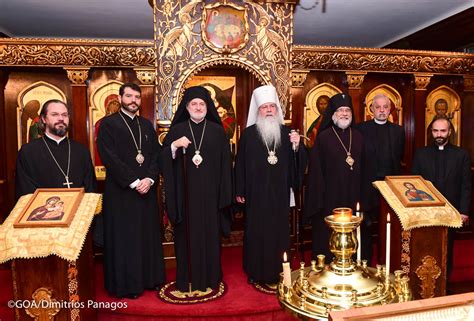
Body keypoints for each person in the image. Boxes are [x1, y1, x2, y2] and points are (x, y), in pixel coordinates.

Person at [161, 86, 232, 292]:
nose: (198, 107)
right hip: (186, 197)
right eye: (194, 104)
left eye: (202, 104)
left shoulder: (218, 131)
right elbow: (162, 158)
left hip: (211, 197)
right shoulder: (177, 130)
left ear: (207, 107)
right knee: (187, 238)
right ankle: (187, 277)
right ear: (187, 106)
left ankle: (211, 277)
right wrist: (174, 146)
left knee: (210, 237)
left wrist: (223, 196)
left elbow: (226, 166)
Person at [97, 83, 165, 299]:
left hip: (146, 192)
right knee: (125, 239)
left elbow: (156, 156)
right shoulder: (108, 124)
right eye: (129, 96)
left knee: (146, 236)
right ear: (120, 98)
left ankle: (150, 279)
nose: (134, 100)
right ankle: (127, 285)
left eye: (137, 96)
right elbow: (109, 158)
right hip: (122, 193)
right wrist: (135, 182)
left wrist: (150, 179)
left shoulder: (146, 125)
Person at [235, 85, 307, 285]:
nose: (268, 110)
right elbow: (239, 163)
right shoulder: (249, 135)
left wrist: (296, 146)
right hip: (256, 194)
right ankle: (255, 270)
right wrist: (240, 189)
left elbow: (299, 164)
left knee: (279, 231)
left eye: (272, 107)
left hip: (279, 193)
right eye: (264, 107)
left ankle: (280, 268)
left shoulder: (287, 133)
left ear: (277, 110)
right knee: (256, 231)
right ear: (258, 111)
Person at [303, 93, 367, 259]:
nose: (344, 113)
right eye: (340, 110)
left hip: (354, 197)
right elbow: (316, 172)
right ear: (333, 114)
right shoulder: (323, 138)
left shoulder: (359, 137)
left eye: (347, 110)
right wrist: (319, 199)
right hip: (329, 199)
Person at [412, 116, 471, 277]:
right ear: (431, 132)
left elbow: (465, 185)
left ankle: (445, 283)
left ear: (449, 132)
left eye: (442, 131)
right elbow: (415, 185)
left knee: (447, 248)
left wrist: (464, 211)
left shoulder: (462, 155)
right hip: (426, 211)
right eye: (435, 130)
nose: (439, 134)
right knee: (425, 247)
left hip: (451, 211)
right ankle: (425, 283)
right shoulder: (420, 154)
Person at [15, 99, 97, 199]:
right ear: (44, 119)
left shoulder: (81, 150)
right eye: (55, 114)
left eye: (64, 115)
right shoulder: (28, 152)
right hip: (43, 212)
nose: (61, 118)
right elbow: (26, 191)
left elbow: (90, 188)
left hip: (79, 212)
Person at [357, 94, 405, 263]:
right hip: (367, 185)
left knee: (388, 225)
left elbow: (400, 158)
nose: (382, 110)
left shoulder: (398, 131)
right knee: (366, 226)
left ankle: (387, 260)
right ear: (371, 110)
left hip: (389, 187)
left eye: (385, 107)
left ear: (390, 108)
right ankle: (366, 261)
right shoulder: (361, 129)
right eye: (378, 107)